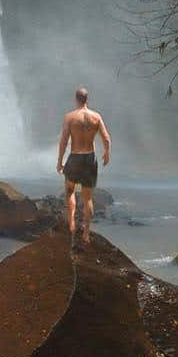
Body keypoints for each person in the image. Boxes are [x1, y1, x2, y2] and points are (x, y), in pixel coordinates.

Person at [57, 87, 111, 250]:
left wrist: (60, 161)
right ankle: (86, 233)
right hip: (90, 158)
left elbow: (64, 141)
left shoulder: (70, 117)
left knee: (70, 190)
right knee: (88, 198)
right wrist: (107, 153)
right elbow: (106, 138)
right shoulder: (96, 116)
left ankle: (72, 221)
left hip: (75, 157)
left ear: (76, 99)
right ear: (87, 99)